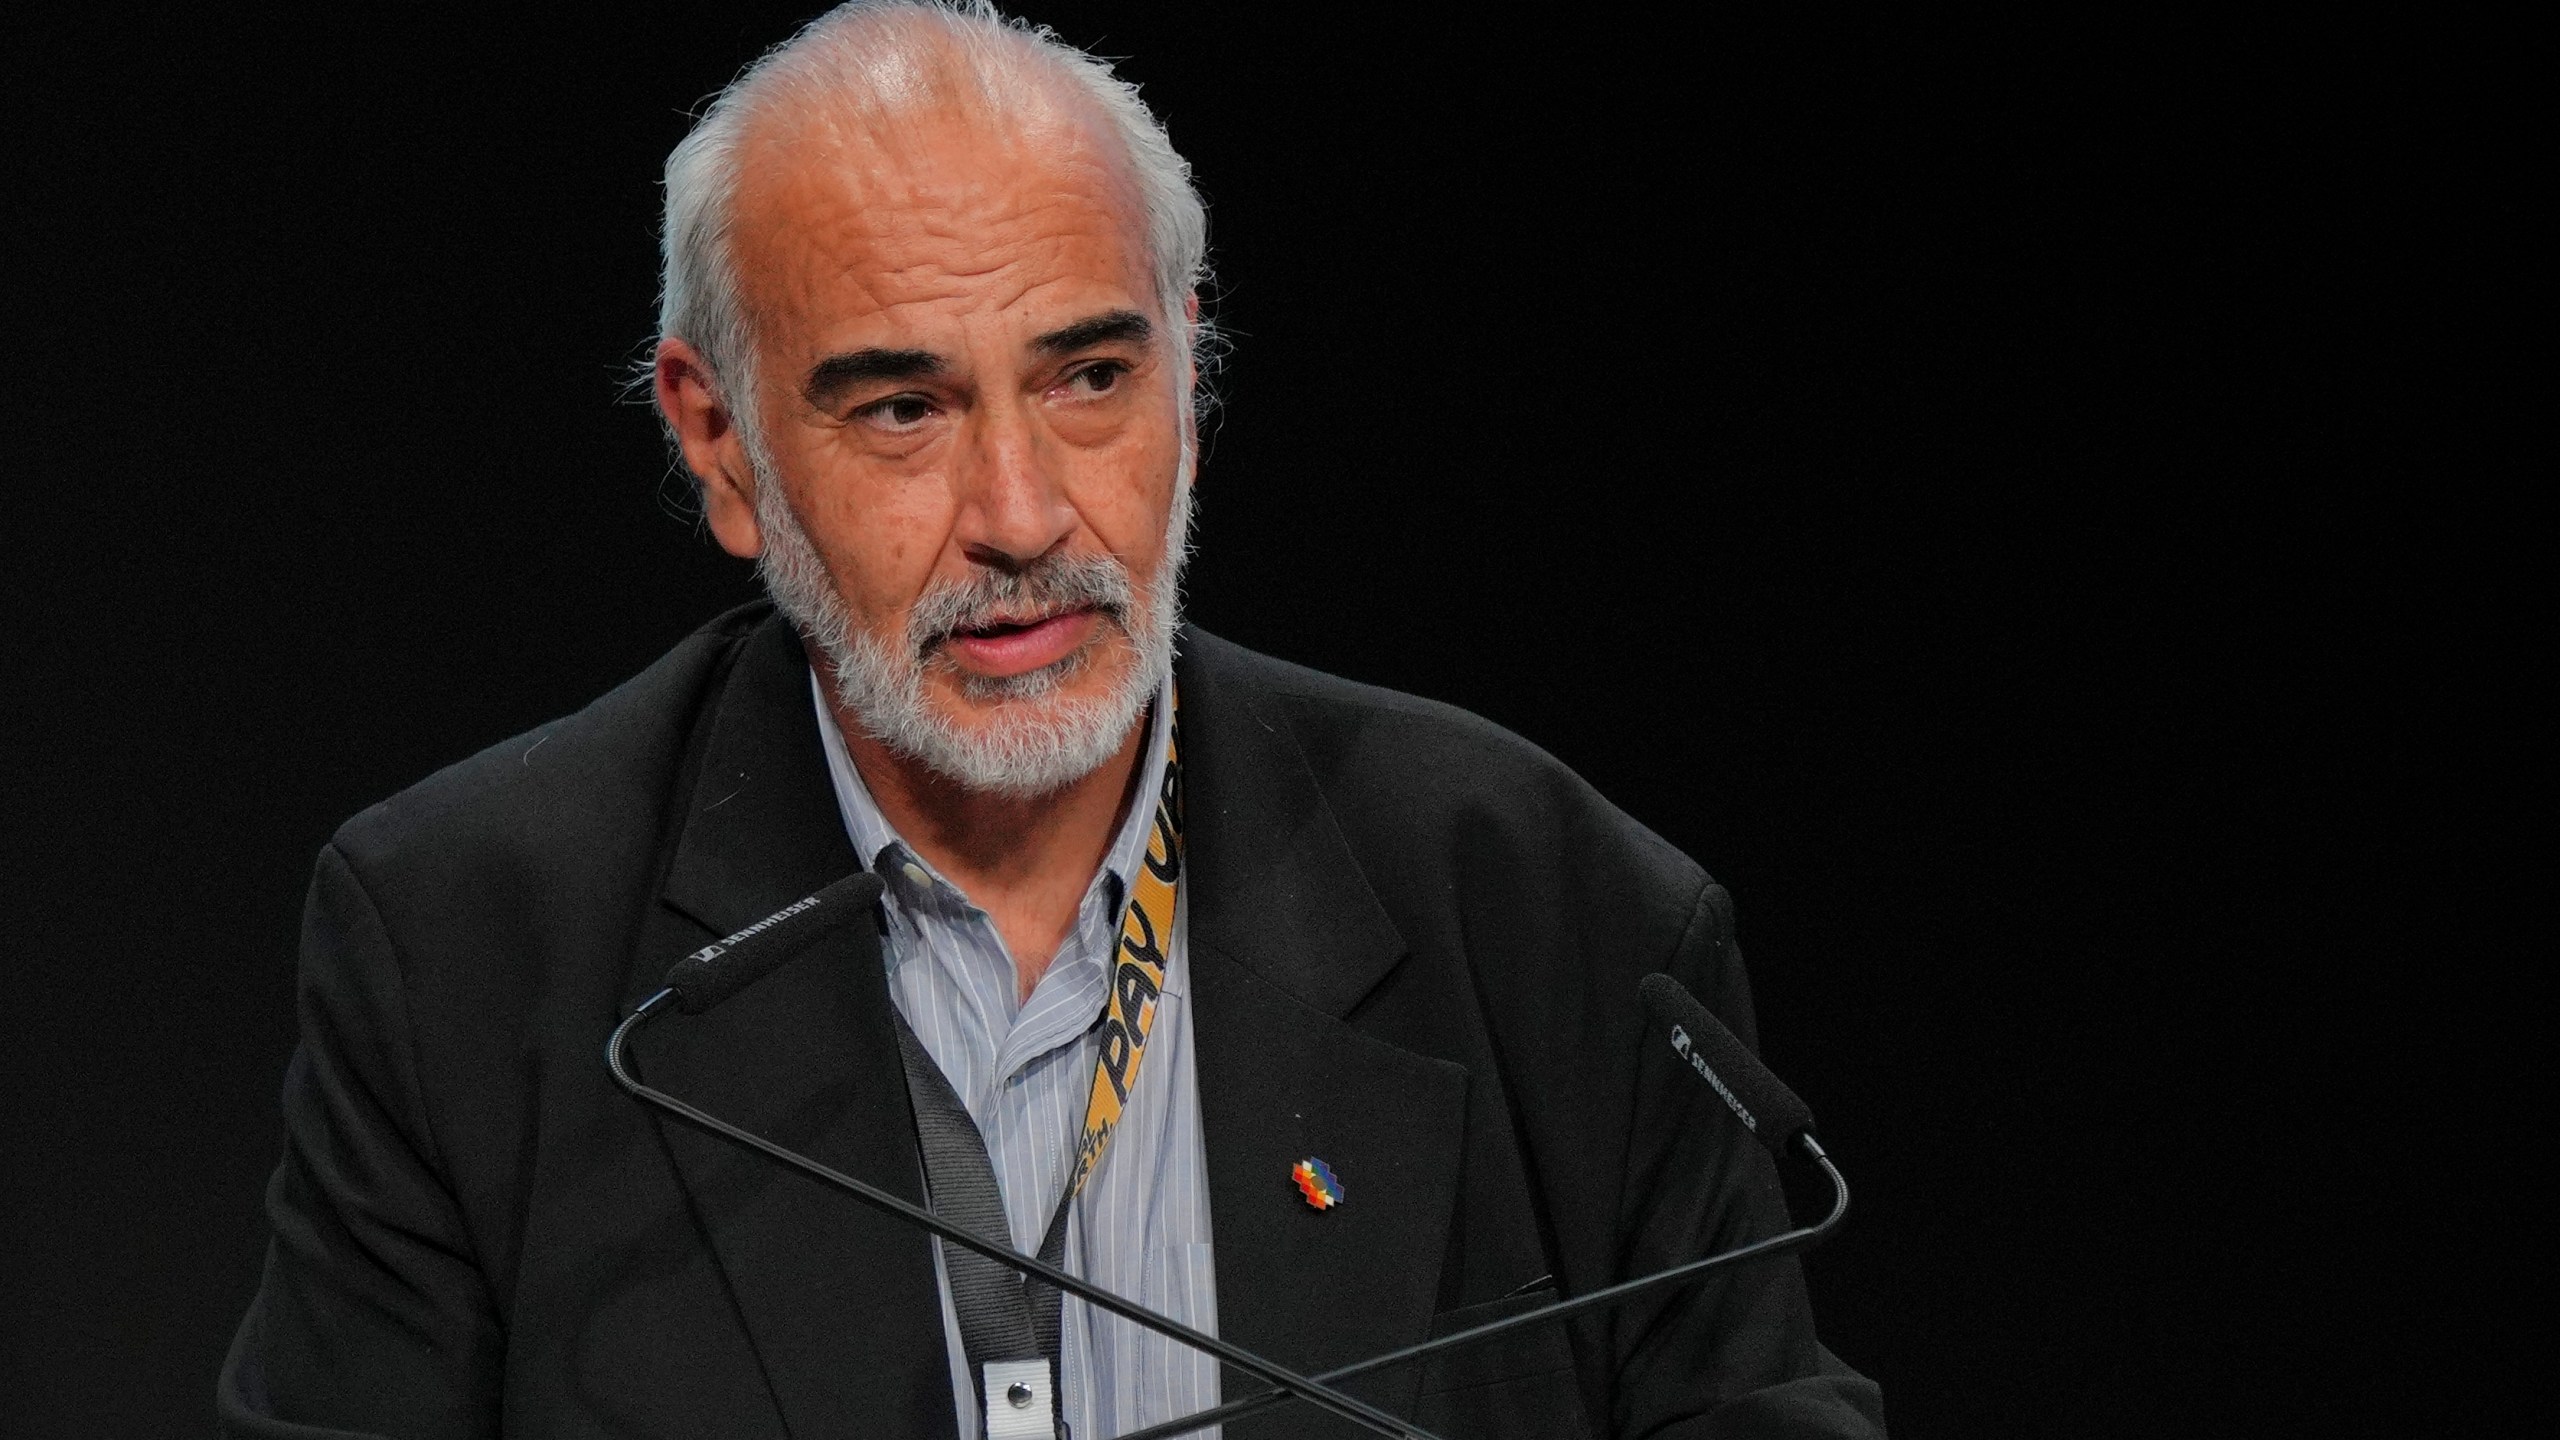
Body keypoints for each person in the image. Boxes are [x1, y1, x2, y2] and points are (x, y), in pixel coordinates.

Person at [218, 3, 1885, 1436]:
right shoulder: (468, 948)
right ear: (719, 445)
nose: (1022, 516)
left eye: (1094, 380)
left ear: (1192, 371)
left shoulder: (1557, 920)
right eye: (902, 407)